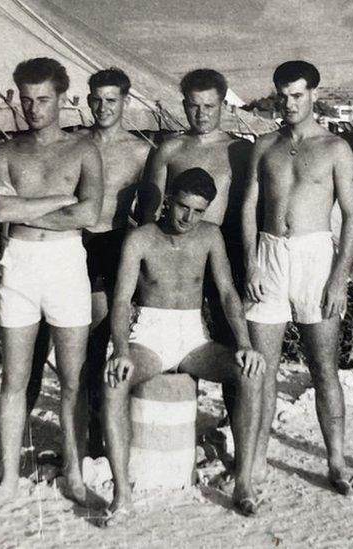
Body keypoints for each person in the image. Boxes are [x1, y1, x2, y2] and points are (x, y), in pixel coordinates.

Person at [102, 168, 266, 525]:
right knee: (113, 381)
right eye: (182, 207)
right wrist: (121, 350)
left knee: (250, 374)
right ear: (168, 200)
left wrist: (244, 344)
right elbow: (120, 301)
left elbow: (226, 294)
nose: (188, 218)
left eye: (198, 211)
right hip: (149, 335)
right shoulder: (141, 238)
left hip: (193, 337)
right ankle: (122, 495)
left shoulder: (209, 237)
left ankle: (244, 483)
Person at [0, 57, 103, 508]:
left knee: (73, 380)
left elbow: (89, 215)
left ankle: (74, 476)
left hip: (68, 264)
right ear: (16, 98)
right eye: (27, 100)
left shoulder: (83, 149)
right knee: (14, 380)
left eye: (44, 100)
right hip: (21, 265)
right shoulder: (5, 153)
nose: (34, 109)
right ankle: (9, 480)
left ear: (64, 99)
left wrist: (25, 205)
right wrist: (61, 198)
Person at [242, 60, 353, 494]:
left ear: (314, 94)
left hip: (316, 257)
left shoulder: (335, 148)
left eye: (297, 95)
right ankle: (254, 461)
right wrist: (253, 262)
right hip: (270, 255)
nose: (289, 103)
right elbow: (248, 208)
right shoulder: (264, 145)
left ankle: (337, 461)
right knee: (262, 369)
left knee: (323, 367)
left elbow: (351, 216)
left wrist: (338, 278)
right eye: (282, 95)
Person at [139, 68, 252, 418]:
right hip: (175, 258)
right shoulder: (170, 149)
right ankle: (173, 435)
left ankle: (234, 436)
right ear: (184, 106)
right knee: (177, 349)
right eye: (193, 106)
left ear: (224, 104)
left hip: (223, 254)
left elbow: (251, 210)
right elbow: (148, 214)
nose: (201, 114)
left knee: (231, 347)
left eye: (209, 106)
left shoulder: (240, 151)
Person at [75, 68, 153, 455]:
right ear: (87, 99)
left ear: (125, 101)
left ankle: (105, 427)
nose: (103, 107)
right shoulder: (74, 143)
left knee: (104, 335)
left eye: (111, 100)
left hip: (115, 241)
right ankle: (89, 429)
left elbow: (151, 211)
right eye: (96, 99)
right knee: (82, 340)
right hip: (75, 242)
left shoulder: (140, 151)